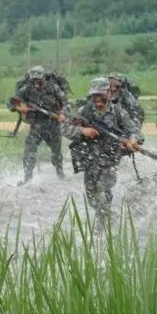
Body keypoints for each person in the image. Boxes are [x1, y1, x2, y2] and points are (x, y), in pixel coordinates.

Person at [63, 78, 142, 223]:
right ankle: (104, 216)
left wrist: (132, 141)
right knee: (91, 195)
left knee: (103, 187)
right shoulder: (83, 111)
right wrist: (82, 130)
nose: (97, 99)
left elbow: (135, 131)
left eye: (101, 95)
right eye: (94, 96)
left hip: (109, 158)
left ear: (108, 92)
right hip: (89, 159)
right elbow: (64, 128)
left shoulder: (119, 112)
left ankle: (107, 220)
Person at [8, 66, 68, 184]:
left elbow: (66, 102)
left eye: (39, 82)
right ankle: (27, 177)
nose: (36, 85)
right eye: (33, 82)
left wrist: (63, 114)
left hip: (53, 125)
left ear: (44, 79)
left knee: (56, 155)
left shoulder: (53, 88)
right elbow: (11, 101)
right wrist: (20, 107)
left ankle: (60, 174)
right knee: (29, 151)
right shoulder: (26, 89)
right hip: (36, 125)